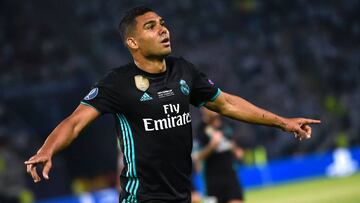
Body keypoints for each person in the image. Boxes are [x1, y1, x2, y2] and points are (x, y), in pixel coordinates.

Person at [24, 6, 321, 203]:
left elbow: (227, 103)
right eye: (151, 27)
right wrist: (46, 150)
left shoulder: (184, 71)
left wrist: (283, 122)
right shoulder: (117, 82)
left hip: (183, 194)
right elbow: (75, 121)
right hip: (142, 198)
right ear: (133, 43)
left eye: (163, 24)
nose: (163, 30)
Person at [194, 108, 245, 203]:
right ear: (203, 109)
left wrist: (236, 150)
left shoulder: (226, 124)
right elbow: (197, 156)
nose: (213, 108)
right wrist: (212, 146)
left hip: (231, 176)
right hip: (212, 180)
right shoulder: (200, 129)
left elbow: (232, 142)